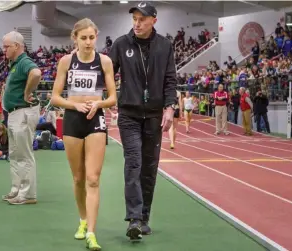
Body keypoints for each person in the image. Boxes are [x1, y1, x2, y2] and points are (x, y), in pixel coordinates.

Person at [108, 1, 177, 240]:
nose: (136, 24)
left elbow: (170, 79)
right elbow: (107, 73)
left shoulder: (165, 46)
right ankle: (134, 219)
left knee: (149, 168)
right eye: (134, 19)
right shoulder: (120, 44)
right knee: (134, 163)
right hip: (129, 114)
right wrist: (108, 97)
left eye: (141, 19)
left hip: (155, 116)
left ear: (153, 21)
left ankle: (144, 217)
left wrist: (170, 107)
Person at [51, 18, 117, 251]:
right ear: (75, 38)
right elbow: (55, 97)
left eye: (92, 37)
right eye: (84, 38)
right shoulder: (66, 62)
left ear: (96, 37)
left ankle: (92, 232)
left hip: (95, 120)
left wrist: (98, 104)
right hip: (73, 119)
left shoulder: (105, 62)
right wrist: (74, 105)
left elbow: (112, 98)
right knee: (78, 178)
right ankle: (82, 220)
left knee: (93, 178)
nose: (88, 42)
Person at [1, 31, 41, 205]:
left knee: (24, 154)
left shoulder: (24, 62)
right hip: (14, 113)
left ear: (16, 46)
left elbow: (36, 73)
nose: (4, 50)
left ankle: (28, 194)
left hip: (22, 112)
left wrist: (27, 93)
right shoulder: (15, 64)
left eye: (6, 46)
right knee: (15, 154)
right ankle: (17, 189)